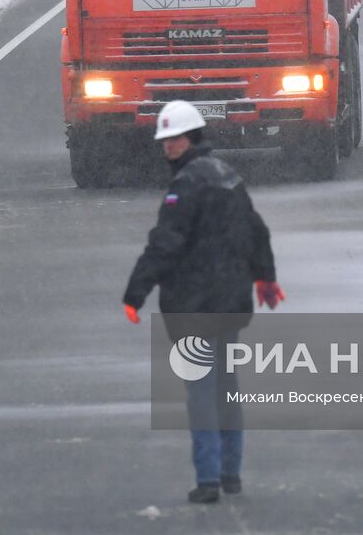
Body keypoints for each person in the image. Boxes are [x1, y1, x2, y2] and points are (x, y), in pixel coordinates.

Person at [122, 100, 285, 504]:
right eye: (164, 140)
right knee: (227, 390)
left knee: (201, 393)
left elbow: (166, 245)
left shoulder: (186, 186)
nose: (168, 146)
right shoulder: (228, 176)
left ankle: (209, 479)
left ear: (192, 137)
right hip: (229, 302)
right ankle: (231, 474)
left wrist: (135, 292)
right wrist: (265, 276)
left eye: (174, 138)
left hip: (195, 307)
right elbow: (255, 229)